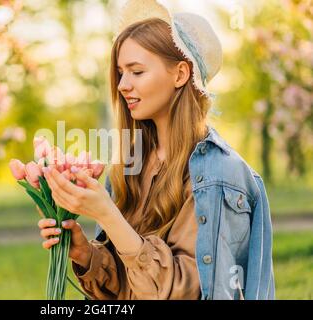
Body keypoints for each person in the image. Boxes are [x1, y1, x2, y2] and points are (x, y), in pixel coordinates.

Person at [38, 0, 275, 300]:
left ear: (179, 75)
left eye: (136, 72)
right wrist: (85, 253)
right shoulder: (129, 168)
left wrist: (109, 216)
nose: (122, 84)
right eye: (121, 72)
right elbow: (130, 289)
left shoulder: (221, 177)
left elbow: (185, 292)